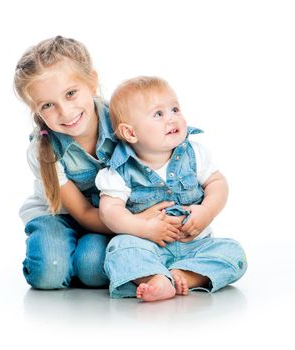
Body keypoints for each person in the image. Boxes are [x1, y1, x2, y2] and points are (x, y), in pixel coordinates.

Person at [14, 36, 182, 290]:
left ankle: (82, 254)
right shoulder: (43, 150)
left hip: (112, 217)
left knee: (93, 269)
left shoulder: (123, 121)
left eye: (71, 93)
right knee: (48, 274)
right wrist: (139, 225)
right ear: (36, 110)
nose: (66, 112)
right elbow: (81, 213)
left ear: (91, 82)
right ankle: (64, 252)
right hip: (62, 215)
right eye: (48, 105)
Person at [96, 76, 247, 301]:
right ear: (130, 133)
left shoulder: (193, 153)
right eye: (159, 114)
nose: (172, 118)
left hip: (195, 246)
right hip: (148, 246)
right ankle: (154, 276)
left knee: (234, 253)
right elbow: (109, 211)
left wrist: (207, 211)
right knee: (120, 248)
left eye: (175, 109)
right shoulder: (120, 170)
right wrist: (144, 228)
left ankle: (182, 275)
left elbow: (218, 184)